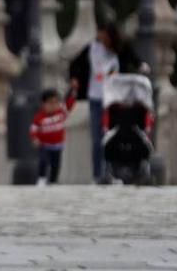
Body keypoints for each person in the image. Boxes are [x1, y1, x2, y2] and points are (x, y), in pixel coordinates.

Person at [68, 22, 141, 182]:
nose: (102, 37)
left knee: (113, 135)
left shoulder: (119, 50)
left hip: (115, 100)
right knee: (97, 137)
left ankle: (113, 169)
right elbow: (75, 64)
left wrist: (142, 66)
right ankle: (97, 173)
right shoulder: (92, 49)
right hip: (96, 98)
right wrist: (74, 78)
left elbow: (134, 59)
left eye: (105, 35)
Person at [30, 88, 73, 185]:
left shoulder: (61, 113)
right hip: (44, 145)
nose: (53, 106)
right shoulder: (39, 116)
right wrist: (35, 138)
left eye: (56, 102)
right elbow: (33, 129)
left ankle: (53, 181)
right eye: (50, 103)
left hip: (57, 145)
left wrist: (72, 92)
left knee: (56, 164)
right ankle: (41, 178)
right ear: (43, 104)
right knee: (43, 161)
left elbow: (69, 105)